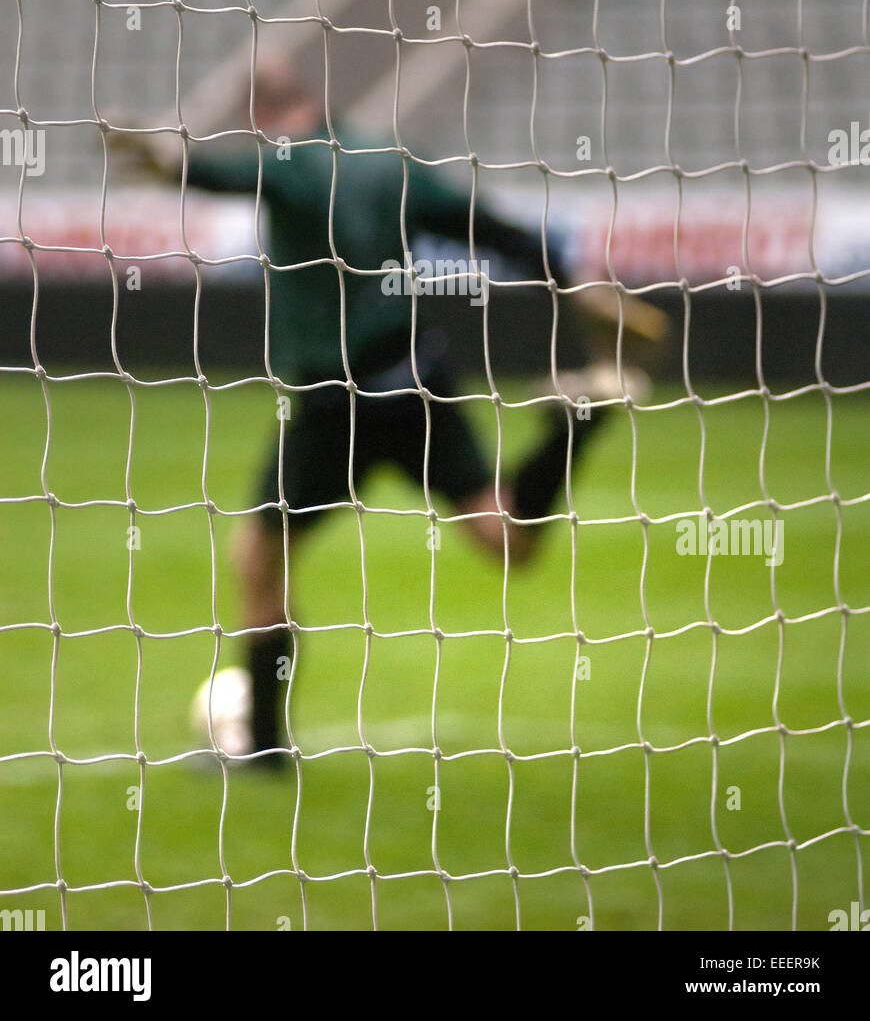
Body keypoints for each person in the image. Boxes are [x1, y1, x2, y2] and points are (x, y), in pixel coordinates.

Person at [114, 57, 664, 768]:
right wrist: (568, 279)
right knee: (506, 538)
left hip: (334, 402)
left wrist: (169, 161)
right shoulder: (388, 160)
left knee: (260, 559)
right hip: (416, 380)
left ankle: (264, 750)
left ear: (259, 119)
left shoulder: (287, 163)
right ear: (314, 97)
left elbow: (231, 177)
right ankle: (573, 427)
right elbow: (487, 227)